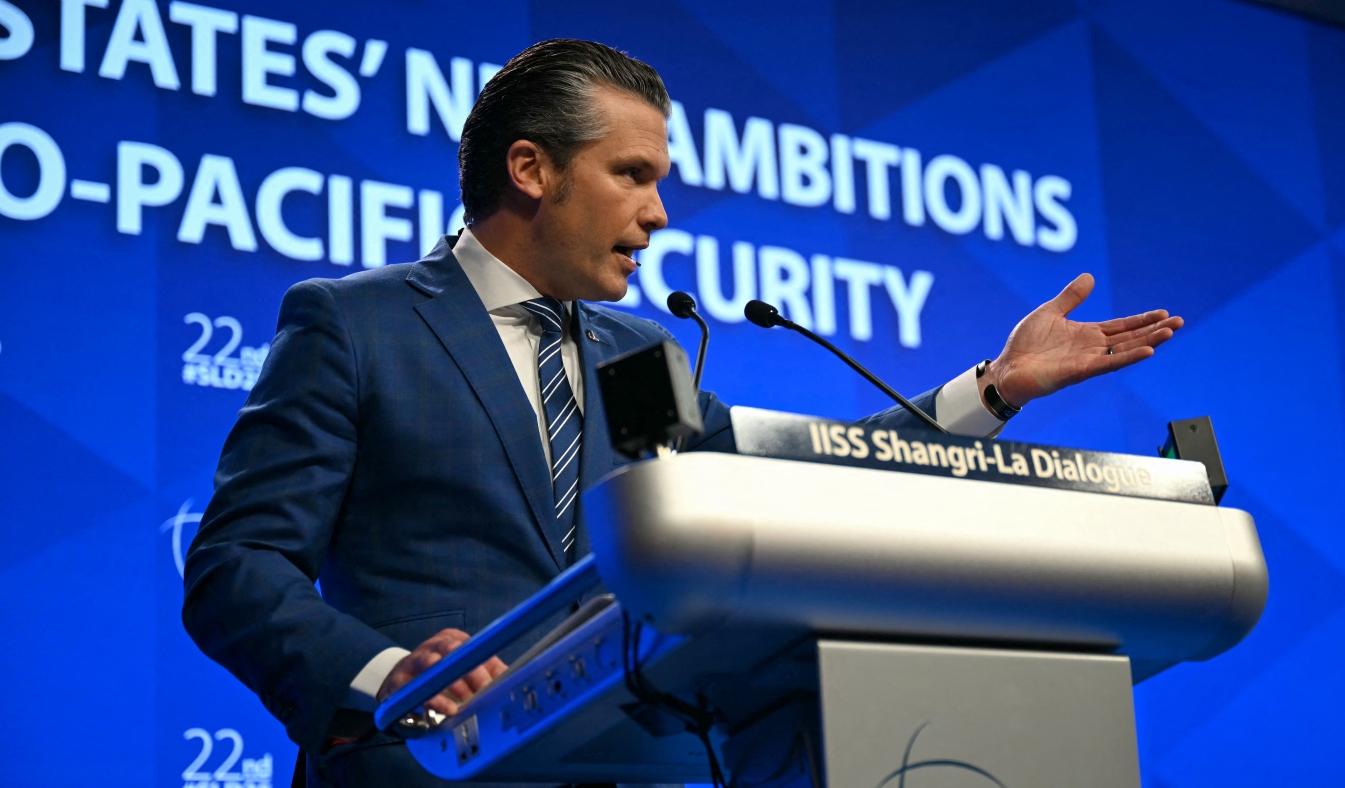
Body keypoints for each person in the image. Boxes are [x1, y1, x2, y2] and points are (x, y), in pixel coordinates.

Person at [181, 38, 1183, 788]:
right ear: (531, 170)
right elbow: (237, 564)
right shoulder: (354, 323)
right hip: (427, 762)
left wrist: (994, 388)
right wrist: (385, 672)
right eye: (633, 176)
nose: (659, 214)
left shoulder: (637, 354)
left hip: (638, 762)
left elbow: (799, 487)